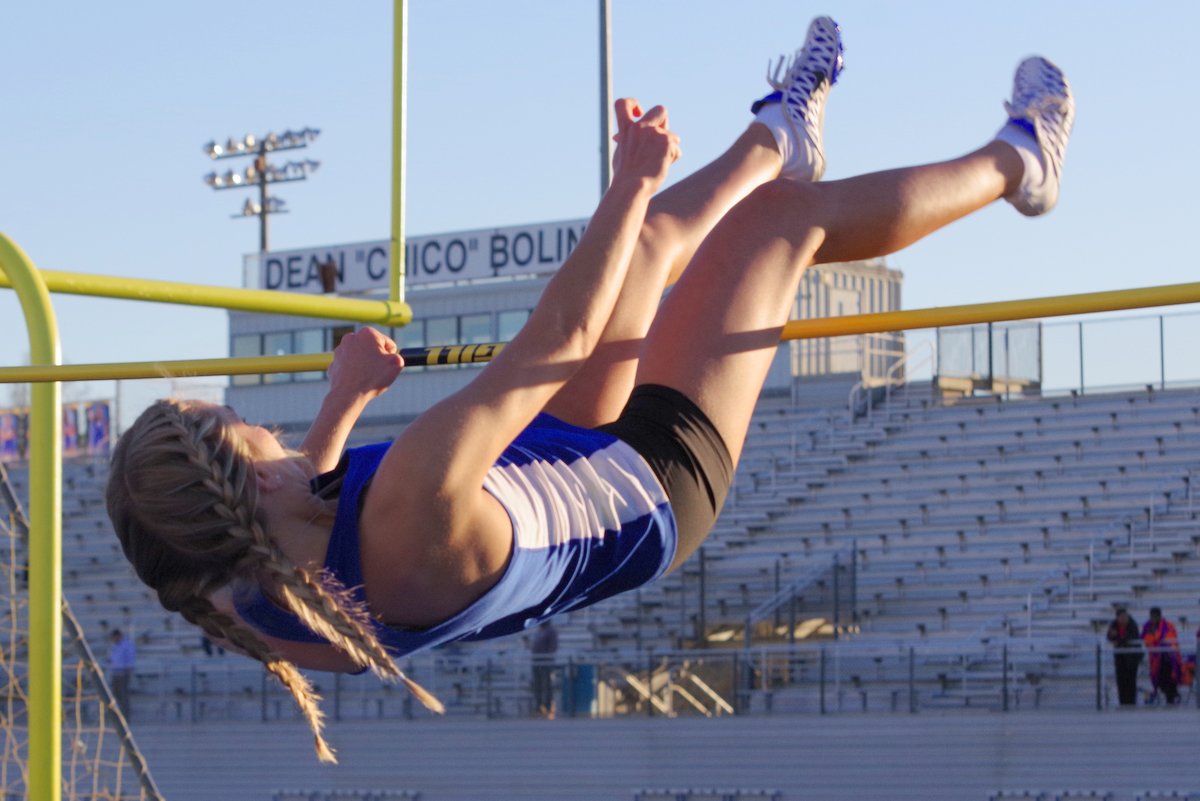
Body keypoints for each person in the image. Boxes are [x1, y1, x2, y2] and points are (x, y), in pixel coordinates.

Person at [105, 17, 1075, 761]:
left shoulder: (240, 594)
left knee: (648, 249)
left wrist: (342, 404)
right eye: (238, 422)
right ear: (248, 479)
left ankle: (779, 133)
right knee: (775, 228)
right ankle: (1022, 158)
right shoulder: (408, 492)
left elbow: (299, 506)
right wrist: (631, 179)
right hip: (648, 486)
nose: (257, 424)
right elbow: (560, 339)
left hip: (553, 460)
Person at [1141, 606, 1182, 704]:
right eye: (1152, 617)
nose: (1153, 619)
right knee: (1158, 679)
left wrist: (1156, 639)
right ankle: (1171, 695)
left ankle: (1171, 697)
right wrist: (1153, 637)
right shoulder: (1147, 626)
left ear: (1159, 616)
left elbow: (1170, 640)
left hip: (1168, 658)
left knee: (1169, 677)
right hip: (1155, 659)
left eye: (1155, 616)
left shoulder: (1168, 625)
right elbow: (1146, 640)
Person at [1106, 607, 1142, 706]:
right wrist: (1114, 636)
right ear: (1117, 618)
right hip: (1120, 657)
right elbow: (1109, 636)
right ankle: (1123, 702)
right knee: (1121, 680)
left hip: (1132, 658)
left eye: (1125, 616)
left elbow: (1131, 637)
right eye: (1121, 617)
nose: (1124, 619)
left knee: (1131, 680)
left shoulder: (1132, 624)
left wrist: (1118, 638)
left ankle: (1131, 702)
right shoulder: (1114, 624)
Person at [529, 620, 559, 718]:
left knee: (546, 684)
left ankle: (547, 706)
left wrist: (547, 658)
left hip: (545, 662)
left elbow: (553, 646)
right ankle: (538, 706)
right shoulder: (538, 631)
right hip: (536, 662)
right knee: (537, 685)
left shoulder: (550, 631)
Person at [108, 629, 136, 718]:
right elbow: (112, 658)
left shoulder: (127, 645)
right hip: (115, 672)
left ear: (118, 636)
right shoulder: (113, 646)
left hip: (124, 672)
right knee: (116, 694)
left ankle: (125, 715)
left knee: (123, 694)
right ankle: (117, 713)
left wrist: (128, 670)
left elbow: (130, 659)